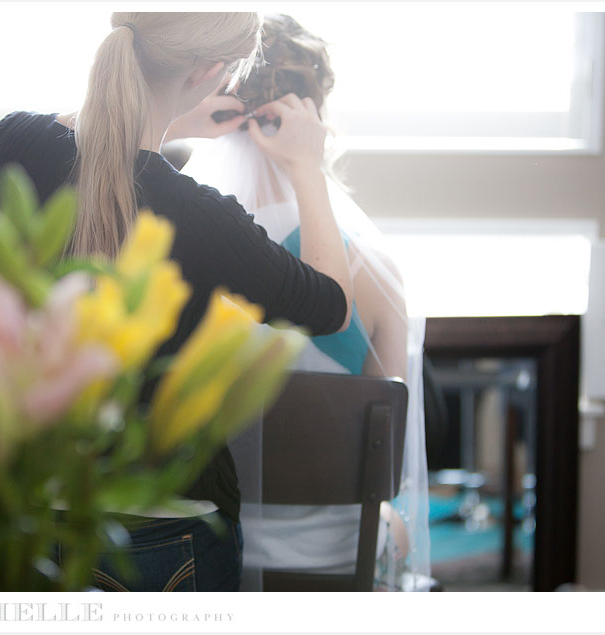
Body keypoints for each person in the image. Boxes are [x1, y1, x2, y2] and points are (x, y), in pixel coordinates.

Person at [0, 12, 355, 592]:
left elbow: (108, 163)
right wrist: (307, 167)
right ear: (210, 71)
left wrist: (175, 117)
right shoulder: (200, 216)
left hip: (33, 504)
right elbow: (332, 308)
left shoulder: (12, 141)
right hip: (168, 527)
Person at [180, 13, 432, 591]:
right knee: (396, 527)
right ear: (315, 115)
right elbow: (386, 456)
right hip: (335, 563)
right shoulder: (374, 270)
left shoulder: (183, 255)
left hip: (206, 559)